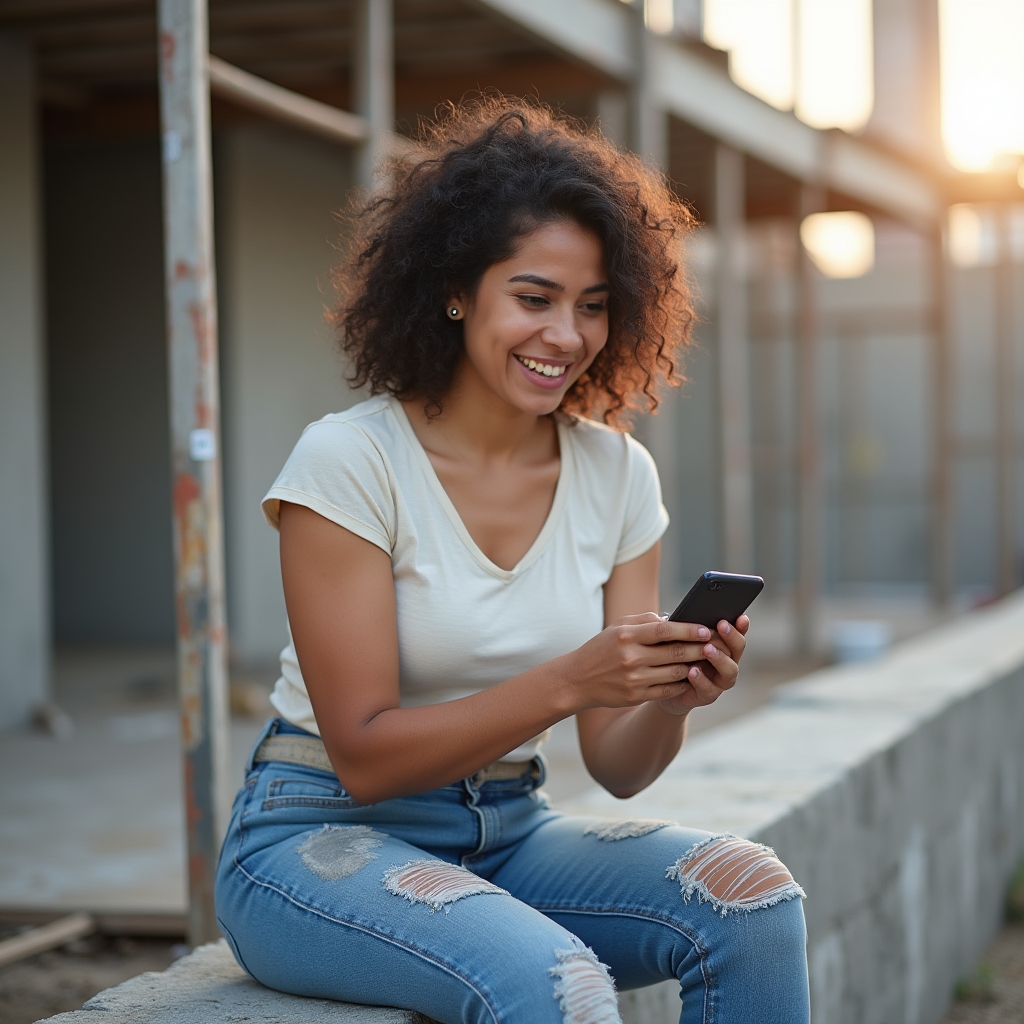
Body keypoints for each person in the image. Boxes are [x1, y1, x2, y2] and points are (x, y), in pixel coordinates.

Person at [215, 97, 809, 1024]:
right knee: (552, 983)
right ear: (458, 291)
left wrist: (671, 696)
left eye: (593, 307)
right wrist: (572, 679)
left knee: (751, 898)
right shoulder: (350, 461)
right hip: (319, 839)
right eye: (533, 298)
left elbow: (616, 764)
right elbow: (364, 756)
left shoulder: (616, 472)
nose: (564, 337)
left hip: (511, 829)